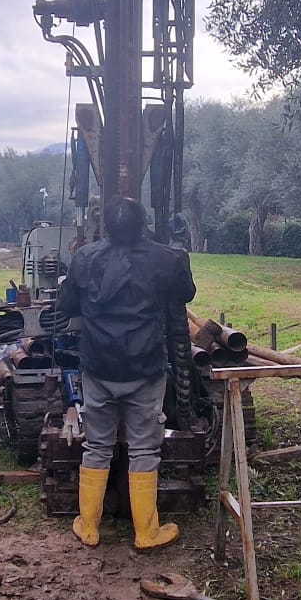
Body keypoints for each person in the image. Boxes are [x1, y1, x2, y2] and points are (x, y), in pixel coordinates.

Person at [56, 196, 196, 550]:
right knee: (145, 449)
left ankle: (88, 526)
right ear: (143, 223)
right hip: (145, 367)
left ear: (105, 226)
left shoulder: (85, 258)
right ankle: (146, 532)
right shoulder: (164, 258)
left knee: (97, 445)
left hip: (99, 367)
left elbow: (67, 305)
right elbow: (186, 293)